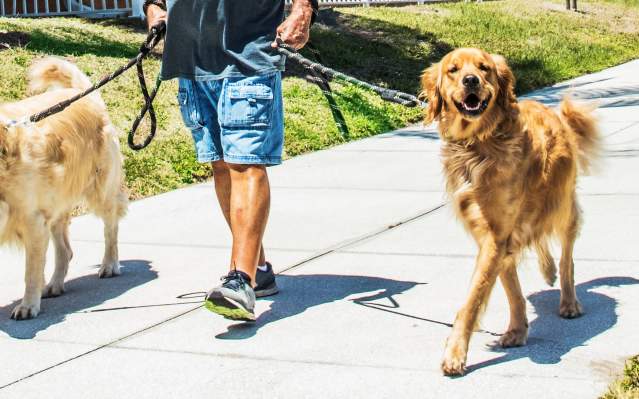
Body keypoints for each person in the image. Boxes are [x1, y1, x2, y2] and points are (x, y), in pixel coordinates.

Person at [144, 0, 314, 321]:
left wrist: (303, 9)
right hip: (191, 56)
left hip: (249, 52)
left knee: (245, 162)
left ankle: (241, 280)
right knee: (221, 164)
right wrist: (154, 8)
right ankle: (257, 268)